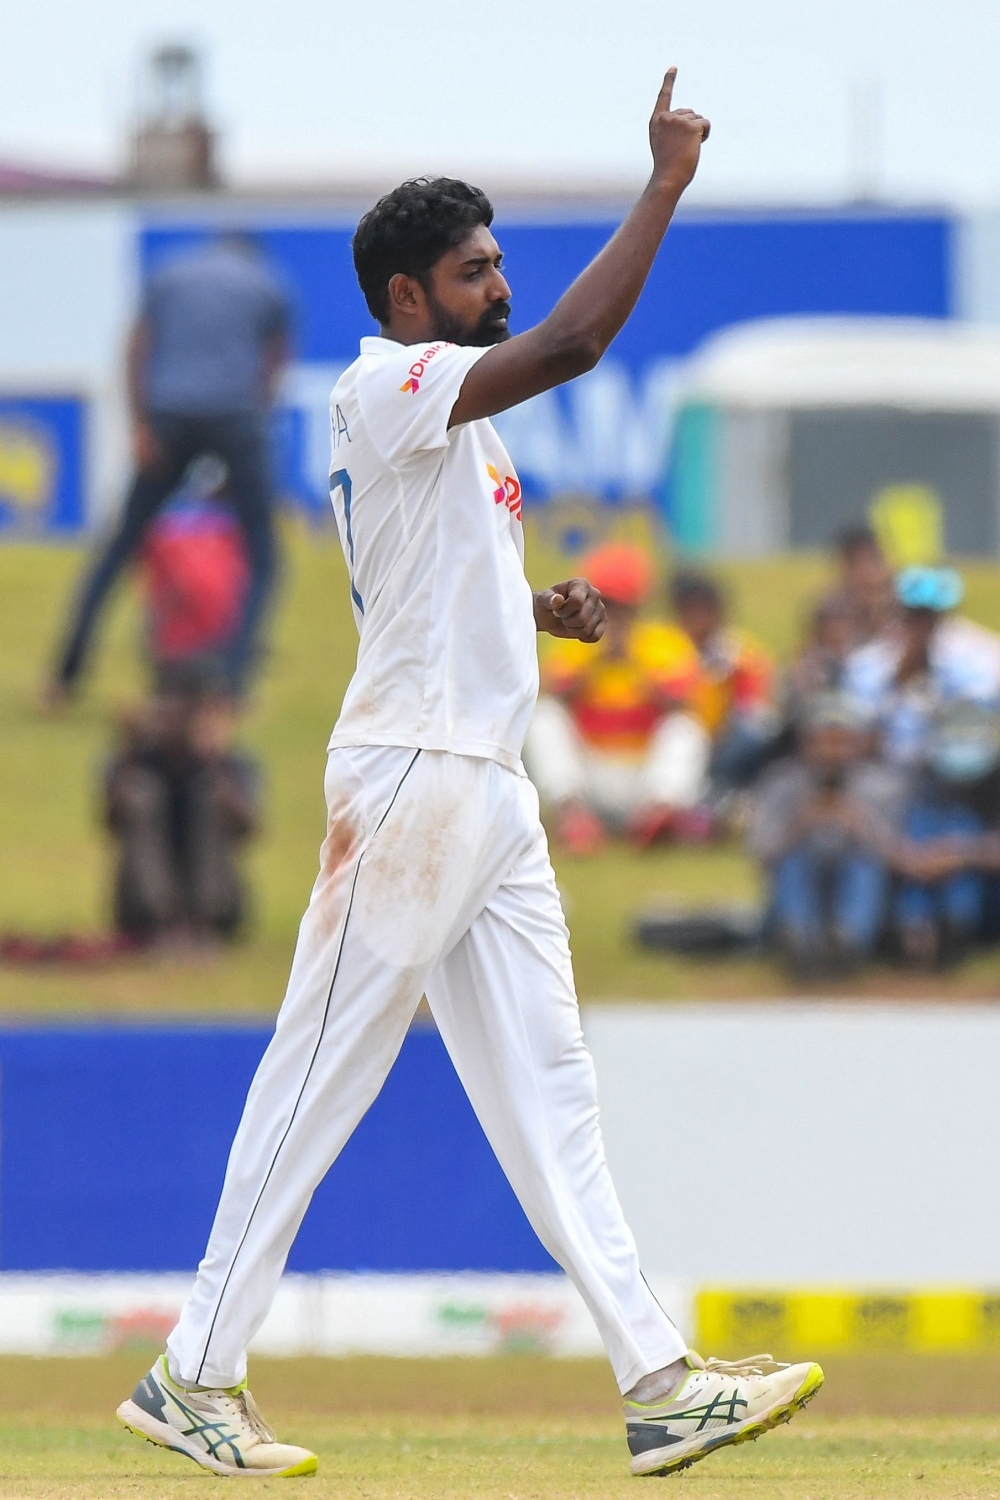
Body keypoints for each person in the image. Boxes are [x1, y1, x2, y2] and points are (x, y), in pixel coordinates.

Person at [117, 72, 822, 1483]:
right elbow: (576, 343)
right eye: (473, 269)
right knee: (318, 1076)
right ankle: (192, 1372)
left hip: (484, 787)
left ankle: (659, 1382)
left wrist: (533, 603)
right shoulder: (385, 383)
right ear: (407, 296)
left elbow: (430, 579)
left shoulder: (453, 420)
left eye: (498, 262)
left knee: (554, 1094)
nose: (502, 284)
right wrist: (665, 184)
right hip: (414, 779)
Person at [43, 233, 291, 705]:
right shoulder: (269, 284)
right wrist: (251, 432)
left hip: (168, 416)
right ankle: (231, 684)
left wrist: (139, 425)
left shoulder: (170, 274)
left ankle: (65, 677)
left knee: (121, 545)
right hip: (237, 418)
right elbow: (273, 365)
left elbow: (137, 347)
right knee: (263, 556)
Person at [524, 540, 714, 853]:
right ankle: (573, 817)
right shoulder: (575, 643)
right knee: (544, 718)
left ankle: (658, 816)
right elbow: (553, 695)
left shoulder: (663, 643)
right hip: (591, 778)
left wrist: (635, 663)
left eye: (620, 605)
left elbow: (683, 706)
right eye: (607, 604)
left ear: (636, 606)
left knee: (686, 729)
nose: (613, 614)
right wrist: (597, 662)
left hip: (644, 777)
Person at [747, 692, 907, 977]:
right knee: (794, 861)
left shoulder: (883, 787)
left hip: (860, 895)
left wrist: (860, 826)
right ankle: (800, 941)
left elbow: (904, 860)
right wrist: (799, 826)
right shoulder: (781, 783)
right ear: (805, 744)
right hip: (797, 892)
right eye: (821, 741)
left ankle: (849, 941)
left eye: (840, 742)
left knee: (864, 863)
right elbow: (760, 855)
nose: (830, 752)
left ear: (858, 743)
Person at [105, 671, 258, 945]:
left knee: (210, 797)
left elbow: (247, 828)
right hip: (141, 911)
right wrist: (131, 753)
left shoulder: (229, 763)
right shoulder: (137, 761)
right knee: (142, 796)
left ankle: (203, 922)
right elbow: (111, 823)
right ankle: (161, 921)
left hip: (218, 905)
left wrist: (214, 761)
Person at [845, 566, 1000, 767]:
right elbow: (857, 724)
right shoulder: (868, 663)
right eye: (914, 616)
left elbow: (979, 712)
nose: (923, 626)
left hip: (960, 768)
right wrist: (897, 681)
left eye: (932, 617)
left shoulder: (981, 655)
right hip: (887, 768)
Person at [893, 700, 1000, 968]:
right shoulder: (922, 779)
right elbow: (901, 842)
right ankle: (917, 930)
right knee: (929, 824)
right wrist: (917, 860)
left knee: (961, 834)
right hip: (924, 870)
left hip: (986, 895)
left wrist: (960, 853)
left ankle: (954, 927)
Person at [667, 571, 778, 798]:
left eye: (705, 610)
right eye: (690, 610)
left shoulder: (738, 650)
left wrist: (732, 675)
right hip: (683, 739)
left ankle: (730, 795)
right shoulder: (666, 649)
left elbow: (757, 707)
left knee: (758, 732)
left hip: (729, 739)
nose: (698, 618)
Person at [831, 524, 897, 645]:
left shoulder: (910, 615)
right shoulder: (833, 622)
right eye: (857, 564)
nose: (868, 574)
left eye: (874, 562)